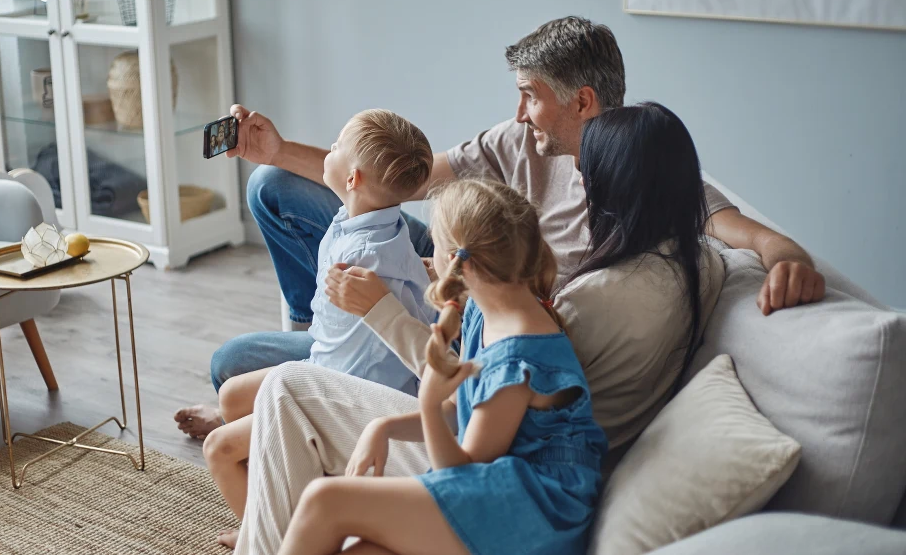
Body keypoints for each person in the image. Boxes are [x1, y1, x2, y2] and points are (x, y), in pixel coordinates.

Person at [173, 15, 826, 443]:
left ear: (582, 102)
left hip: (479, 304)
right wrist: (278, 149)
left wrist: (784, 251)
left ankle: (321, 366)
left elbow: (736, 225)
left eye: (530, 94)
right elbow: (398, 179)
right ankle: (322, 330)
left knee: (228, 365)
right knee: (275, 189)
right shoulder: (516, 141)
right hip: (449, 257)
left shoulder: (639, 178)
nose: (518, 111)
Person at [238, 101, 722, 553]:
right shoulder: (489, 308)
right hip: (490, 471)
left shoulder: (531, 346)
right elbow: (461, 414)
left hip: (516, 502)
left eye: (586, 172)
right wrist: (390, 422)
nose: (578, 178)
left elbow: (466, 464)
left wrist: (420, 392)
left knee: (307, 451)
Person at [278, 179, 608, 555]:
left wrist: (431, 405)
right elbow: (460, 412)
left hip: (536, 512)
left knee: (326, 499)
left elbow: (461, 473)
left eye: (434, 243)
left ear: (456, 261)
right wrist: (383, 426)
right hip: (501, 486)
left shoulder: (519, 359)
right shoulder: (485, 311)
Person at [200, 110, 437, 541]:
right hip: (326, 359)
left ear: (353, 179)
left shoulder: (365, 259)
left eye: (336, 145)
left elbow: (367, 358)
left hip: (340, 390)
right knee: (232, 397)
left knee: (218, 449)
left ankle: (266, 537)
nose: (328, 148)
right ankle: (274, 501)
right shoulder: (375, 222)